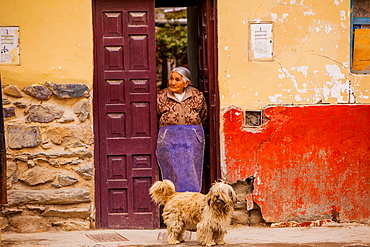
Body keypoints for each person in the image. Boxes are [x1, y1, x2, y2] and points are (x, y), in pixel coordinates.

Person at [156, 67, 207, 192]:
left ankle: (191, 200)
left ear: (186, 83)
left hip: (192, 139)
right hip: (169, 139)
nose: (173, 82)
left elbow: (203, 115)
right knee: (171, 169)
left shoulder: (197, 95)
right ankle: (173, 201)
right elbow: (155, 115)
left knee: (192, 169)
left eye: (177, 80)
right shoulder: (161, 96)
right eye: (171, 79)